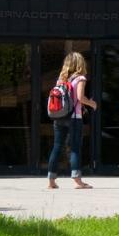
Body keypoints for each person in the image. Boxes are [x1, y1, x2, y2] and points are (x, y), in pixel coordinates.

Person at [45, 53, 95, 190]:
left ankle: (51, 180)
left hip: (59, 117)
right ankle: (78, 180)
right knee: (75, 148)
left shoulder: (61, 79)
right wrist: (91, 103)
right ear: (80, 64)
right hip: (74, 118)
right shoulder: (80, 78)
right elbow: (80, 97)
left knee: (57, 146)